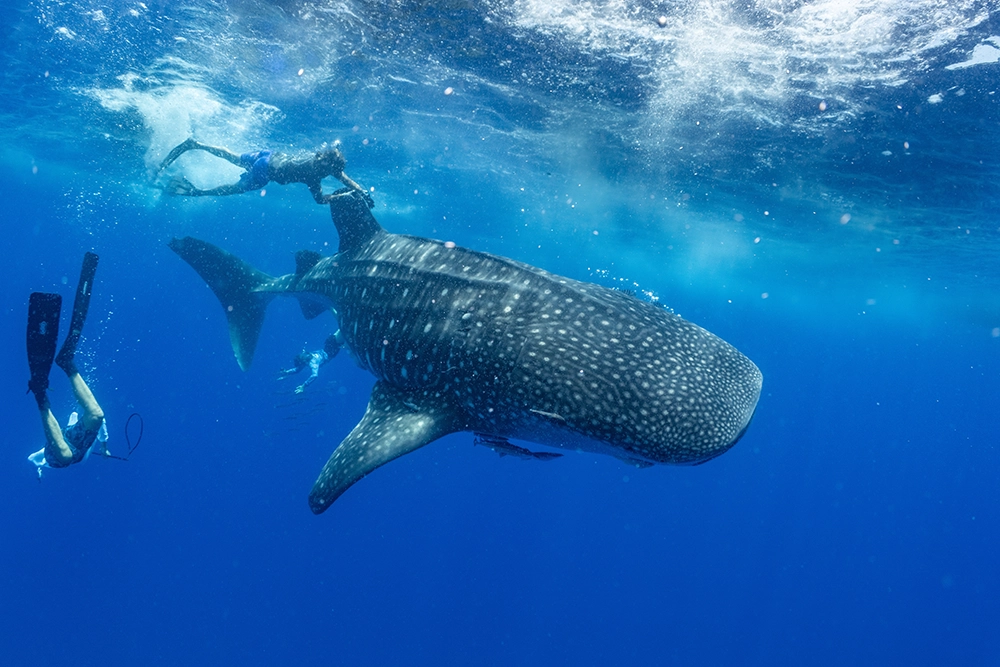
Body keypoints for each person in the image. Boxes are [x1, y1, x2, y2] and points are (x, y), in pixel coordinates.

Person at [26, 252, 109, 475]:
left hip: (59, 456)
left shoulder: (48, 457)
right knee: (97, 415)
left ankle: (40, 395)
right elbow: (100, 427)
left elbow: (37, 457)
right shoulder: (84, 429)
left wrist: (40, 468)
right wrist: (105, 447)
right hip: (72, 442)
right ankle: (66, 362)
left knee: (66, 456)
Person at [156, 139, 374, 206]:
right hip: (265, 172)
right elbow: (320, 200)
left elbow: (342, 177)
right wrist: (345, 196)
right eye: (331, 173)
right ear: (327, 168)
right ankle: (198, 193)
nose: (333, 176)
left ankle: (196, 144)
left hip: (268, 155)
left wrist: (361, 191)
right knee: (235, 189)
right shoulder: (313, 175)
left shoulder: (319, 158)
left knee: (232, 156)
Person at [278, 332, 342, 394]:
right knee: (341, 332)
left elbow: (314, 375)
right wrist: (287, 372)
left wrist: (304, 386)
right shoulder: (305, 357)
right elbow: (297, 369)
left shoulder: (312, 363)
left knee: (342, 334)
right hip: (328, 346)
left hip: (331, 352)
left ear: (303, 362)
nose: (301, 366)